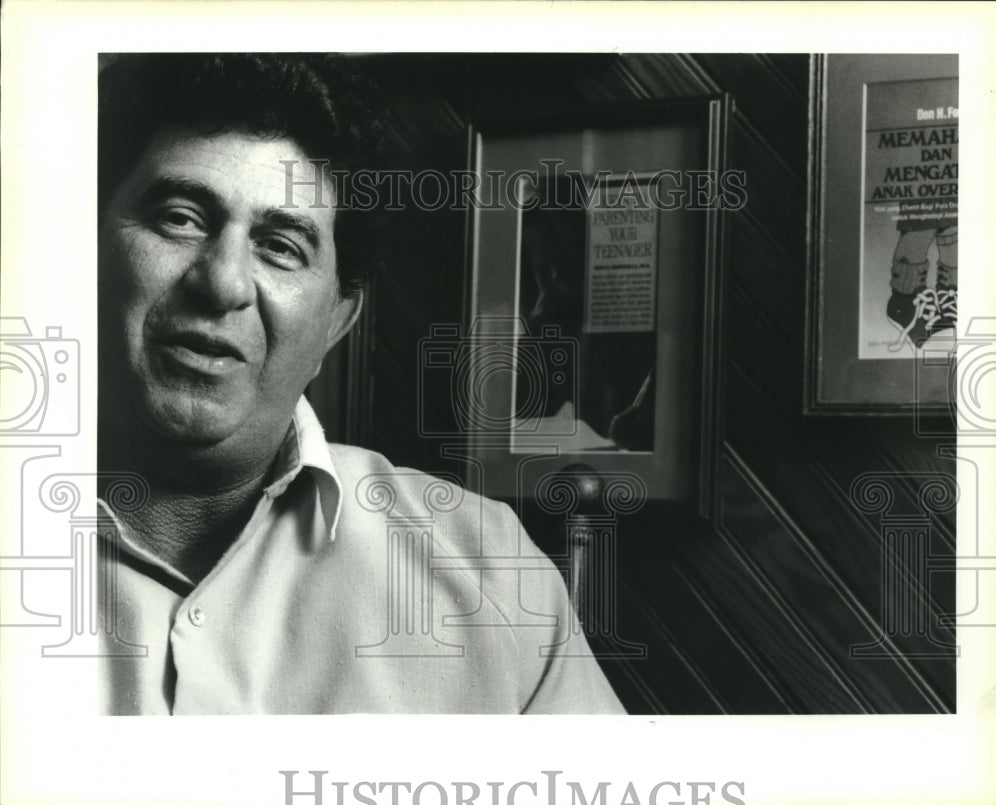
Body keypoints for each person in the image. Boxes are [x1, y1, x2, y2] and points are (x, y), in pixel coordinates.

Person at [95, 53, 625, 715]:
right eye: (180, 217)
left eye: (281, 245)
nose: (222, 282)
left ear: (338, 320)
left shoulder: (493, 572)